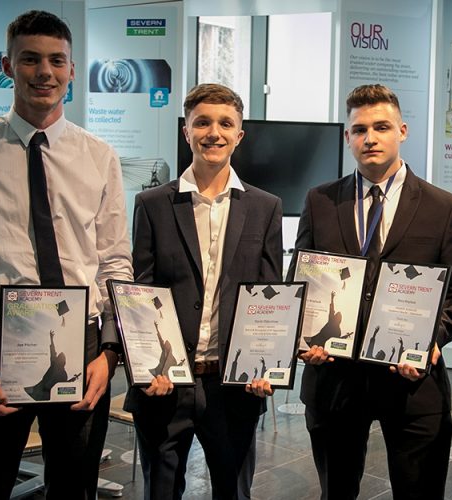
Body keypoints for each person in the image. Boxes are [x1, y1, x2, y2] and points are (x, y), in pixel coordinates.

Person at [0, 10, 132, 499]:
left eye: (56, 61)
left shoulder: (99, 155)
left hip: (81, 347)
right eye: (30, 59)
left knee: (76, 487)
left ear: (71, 69)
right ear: (7, 65)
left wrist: (109, 353)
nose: (45, 72)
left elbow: (114, 264)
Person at [289, 84, 452, 499]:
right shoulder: (319, 201)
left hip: (411, 382)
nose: (369, 138)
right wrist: (304, 338)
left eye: (381, 127)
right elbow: (299, 286)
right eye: (359, 130)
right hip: (334, 380)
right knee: (336, 493)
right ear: (347, 137)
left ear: (402, 131)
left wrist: (432, 341)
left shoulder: (441, 206)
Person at [125, 83, 282, 500]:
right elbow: (141, 293)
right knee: (159, 492)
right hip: (165, 383)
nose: (214, 132)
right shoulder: (152, 204)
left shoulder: (265, 207)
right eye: (203, 122)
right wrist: (145, 368)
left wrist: (266, 363)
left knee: (233, 492)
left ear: (239, 135)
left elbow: (269, 296)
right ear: (186, 131)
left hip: (232, 387)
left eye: (225, 123)